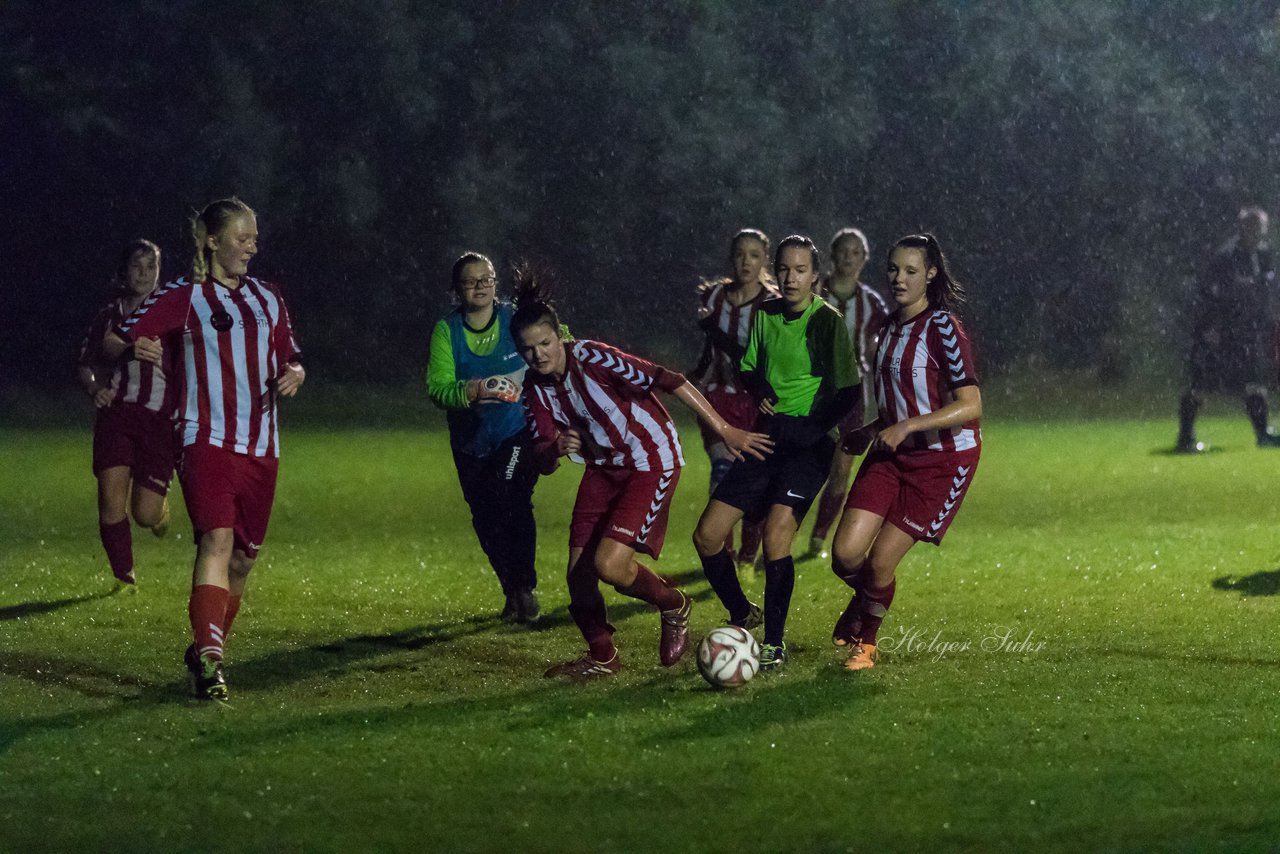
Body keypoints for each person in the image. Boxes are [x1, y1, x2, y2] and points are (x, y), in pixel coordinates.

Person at [513, 264, 772, 680]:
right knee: (578, 577)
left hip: (650, 460)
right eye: (528, 349)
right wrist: (556, 447)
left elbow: (669, 380)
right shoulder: (534, 390)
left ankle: (674, 605)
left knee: (611, 567)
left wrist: (723, 428)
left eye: (545, 343)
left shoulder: (593, 357)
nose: (538, 354)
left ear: (559, 336)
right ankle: (602, 657)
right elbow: (541, 457)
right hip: (603, 469)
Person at [104, 197, 304, 701]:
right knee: (215, 541)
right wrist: (138, 345)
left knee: (241, 560)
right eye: (242, 237)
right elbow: (124, 331)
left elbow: (291, 355)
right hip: (203, 438)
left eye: (255, 237)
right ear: (212, 241)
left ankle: (204, 647)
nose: (251, 246)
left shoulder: (269, 297)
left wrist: (294, 373)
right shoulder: (184, 296)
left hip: (262, 446)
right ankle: (212, 659)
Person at [692, 235, 860, 672]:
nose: (790, 277)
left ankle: (773, 642)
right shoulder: (766, 313)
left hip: (808, 445)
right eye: (784, 269)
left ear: (815, 277)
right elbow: (749, 367)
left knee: (776, 537)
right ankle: (743, 613)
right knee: (708, 536)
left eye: (800, 270)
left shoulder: (827, 321)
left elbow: (848, 391)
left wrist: (813, 428)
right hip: (766, 436)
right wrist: (759, 388)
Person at [829, 233, 982, 671]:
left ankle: (868, 643)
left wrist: (907, 426)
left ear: (930, 275)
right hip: (891, 452)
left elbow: (971, 405)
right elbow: (900, 403)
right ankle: (865, 600)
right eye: (894, 269)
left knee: (879, 564)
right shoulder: (886, 327)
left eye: (911, 271)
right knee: (845, 556)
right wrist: (870, 429)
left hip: (942, 461)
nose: (899, 278)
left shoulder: (944, 328)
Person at [427, 252, 540, 623]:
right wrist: (475, 390)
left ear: (496, 282)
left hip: (516, 432)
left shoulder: (514, 319)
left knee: (511, 499)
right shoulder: (447, 331)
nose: (480, 287)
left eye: (486, 279)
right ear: (456, 290)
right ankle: (510, 589)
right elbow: (438, 389)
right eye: (470, 281)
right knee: (485, 517)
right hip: (471, 443)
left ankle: (525, 588)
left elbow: (556, 342)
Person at [76, 239, 174, 587]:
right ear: (123, 272)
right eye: (137, 266)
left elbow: (194, 370)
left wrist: (164, 360)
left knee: (144, 514)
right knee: (109, 498)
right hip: (117, 416)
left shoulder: (173, 314)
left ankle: (160, 510)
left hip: (159, 421)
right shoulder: (109, 316)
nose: (144, 274)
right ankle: (125, 576)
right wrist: (94, 388)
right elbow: (86, 364)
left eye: (152, 267)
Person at [689, 229, 778, 576]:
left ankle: (747, 556)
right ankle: (721, 556)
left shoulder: (772, 304)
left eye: (754, 255)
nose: (746, 261)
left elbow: (750, 359)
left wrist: (714, 330)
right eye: (740, 254)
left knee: (754, 483)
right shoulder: (714, 295)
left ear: (765, 260)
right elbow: (710, 350)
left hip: (756, 403)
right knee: (722, 473)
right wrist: (696, 372)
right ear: (731, 258)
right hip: (717, 399)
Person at [804, 227, 890, 561]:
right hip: (809, 392)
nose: (848, 258)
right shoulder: (812, 293)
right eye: (843, 251)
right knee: (802, 462)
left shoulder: (872, 304)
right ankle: (778, 529)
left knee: (841, 470)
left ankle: (818, 537)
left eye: (856, 252)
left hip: (852, 395)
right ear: (832, 254)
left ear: (864, 259)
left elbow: (877, 352)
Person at [1175, 206, 1280, 452]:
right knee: (1201, 381)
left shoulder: (1265, 256)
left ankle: (1263, 434)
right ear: (1241, 227)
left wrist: (1267, 317)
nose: (1255, 232)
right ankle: (1185, 437)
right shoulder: (1226, 257)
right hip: (1221, 330)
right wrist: (1211, 325)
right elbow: (1209, 293)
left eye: (1259, 227)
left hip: (1248, 329)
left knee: (1254, 380)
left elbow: (1266, 291)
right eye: (1250, 226)